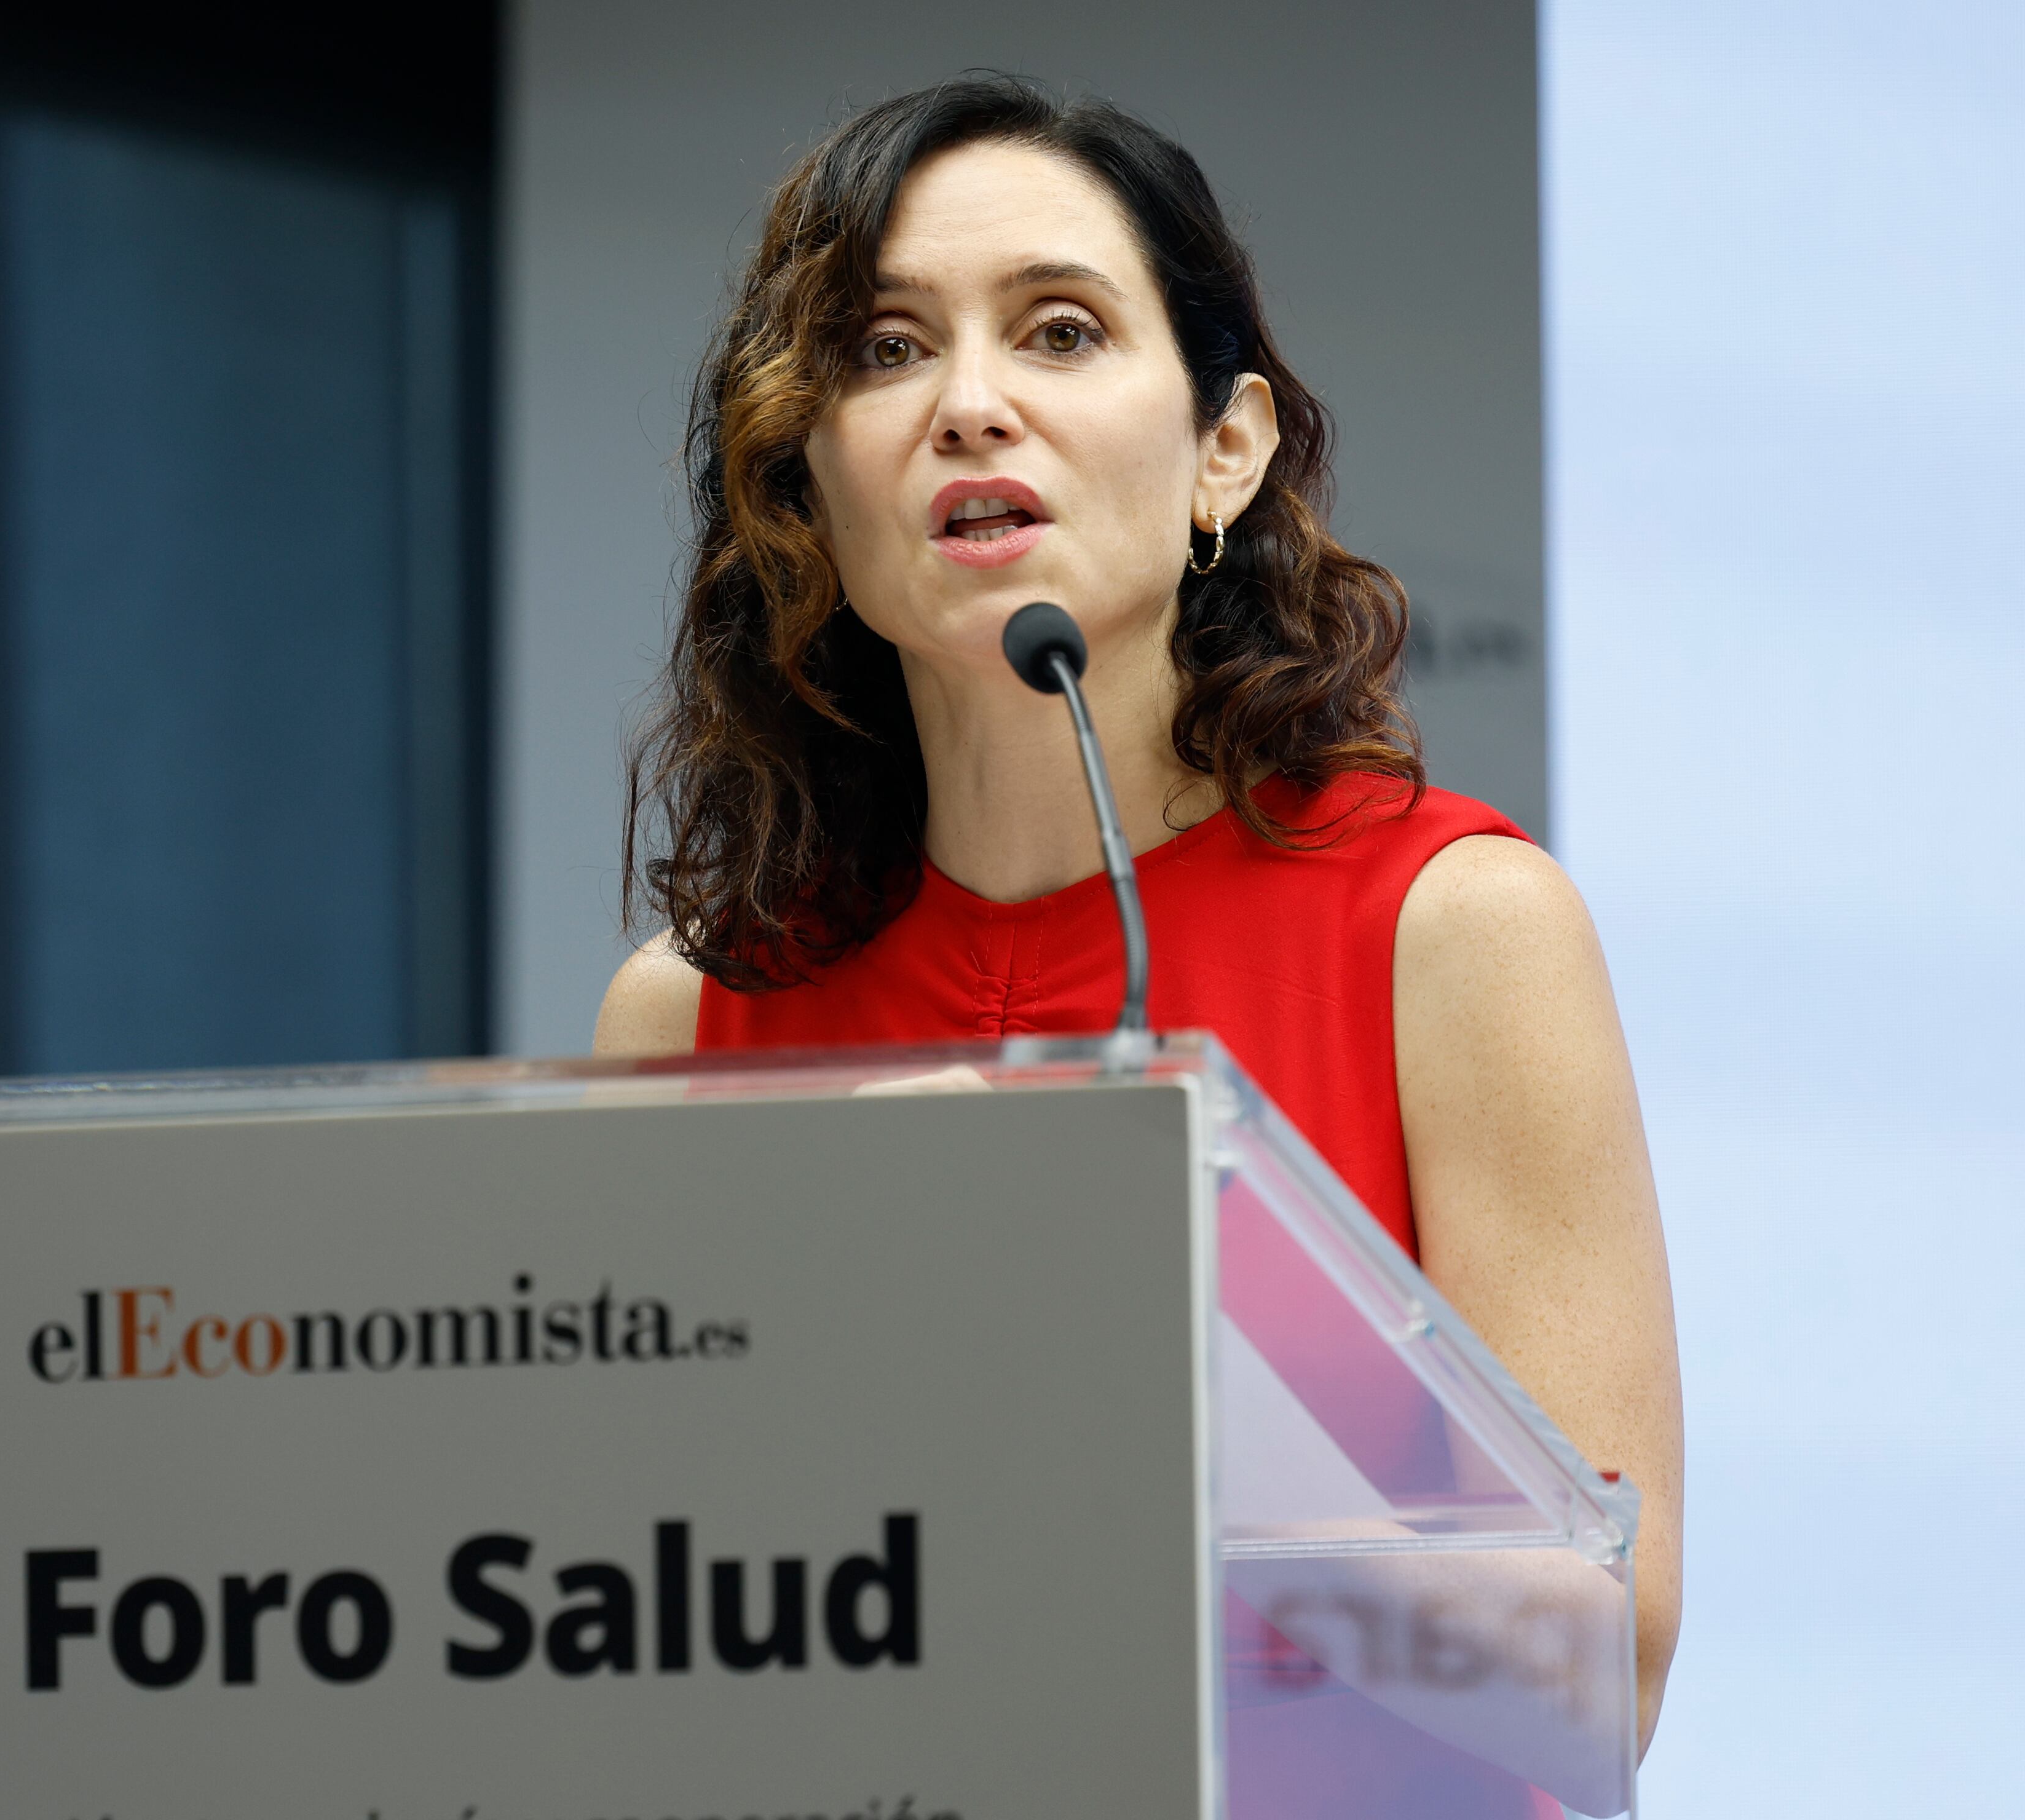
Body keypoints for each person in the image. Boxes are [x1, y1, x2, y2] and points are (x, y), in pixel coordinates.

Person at [593, 74, 1683, 1783]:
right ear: (807, 475)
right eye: (885, 349)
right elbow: (640, 1652)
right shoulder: (690, 1019)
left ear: (1224, 450)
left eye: (1061, 331)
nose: (970, 406)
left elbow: (1595, 1675)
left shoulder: (1454, 929)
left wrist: (1120, 1340)